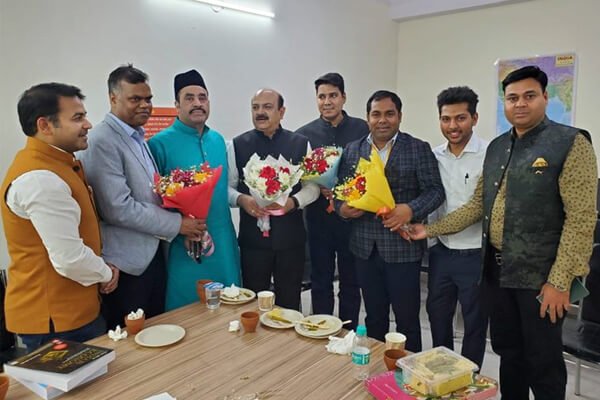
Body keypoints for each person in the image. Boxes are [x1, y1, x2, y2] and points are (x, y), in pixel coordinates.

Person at [409, 66, 597, 399]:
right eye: (512, 98)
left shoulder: (570, 143)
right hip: (497, 272)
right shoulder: (498, 147)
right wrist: (431, 229)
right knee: (508, 352)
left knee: (543, 362)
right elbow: (476, 206)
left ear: (545, 97)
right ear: (504, 103)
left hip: (541, 277)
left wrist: (560, 281)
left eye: (529, 96)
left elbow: (581, 220)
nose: (520, 104)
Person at [79, 65, 205, 330]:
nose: (145, 105)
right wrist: (178, 224)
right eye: (135, 99)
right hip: (125, 265)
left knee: (156, 332)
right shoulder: (103, 140)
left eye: (148, 99)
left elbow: (151, 194)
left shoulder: (136, 136)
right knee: (131, 340)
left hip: (151, 255)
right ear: (113, 98)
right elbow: (117, 208)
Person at [1, 83, 119, 351]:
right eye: (77, 118)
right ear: (45, 125)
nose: (88, 124)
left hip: (75, 311)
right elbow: (70, 258)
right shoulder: (40, 179)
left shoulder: (59, 164)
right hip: (56, 321)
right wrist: (106, 272)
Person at [335, 90, 444, 350]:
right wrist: (343, 209)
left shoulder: (418, 148)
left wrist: (410, 209)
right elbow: (341, 191)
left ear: (400, 116)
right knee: (374, 316)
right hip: (364, 248)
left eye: (389, 114)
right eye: (376, 114)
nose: (382, 120)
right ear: (367, 118)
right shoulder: (353, 150)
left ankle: (407, 369)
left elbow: (435, 191)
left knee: (407, 320)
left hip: (402, 246)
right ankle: (376, 366)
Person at [148, 69, 241, 310]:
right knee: (187, 307)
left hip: (223, 239)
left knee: (229, 303)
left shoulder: (218, 140)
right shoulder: (158, 144)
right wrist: (180, 226)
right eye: (189, 98)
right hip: (183, 243)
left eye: (202, 97)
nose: (197, 103)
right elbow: (153, 199)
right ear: (176, 105)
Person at [228, 89, 319, 310]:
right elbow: (227, 188)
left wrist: (293, 202)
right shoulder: (237, 145)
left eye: (267, 107)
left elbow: (312, 187)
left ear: (281, 111)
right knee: (253, 302)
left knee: (289, 301)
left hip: (291, 239)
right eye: (255, 107)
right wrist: (242, 199)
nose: (260, 112)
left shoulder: (300, 143)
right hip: (253, 241)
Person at [295, 72, 368, 330]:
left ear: (343, 97)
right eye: (322, 96)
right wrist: (318, 185)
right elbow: (300, 178)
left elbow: (371, 169)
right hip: (318, 221)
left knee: (351, 281)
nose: (327, 102)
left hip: (352, 219)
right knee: (320, 280)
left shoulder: (363, 129)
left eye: (333, 96)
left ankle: (348, 332)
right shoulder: (303, 136)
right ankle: (321, 331)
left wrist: (347, 191)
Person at [426, 86, 488, 368]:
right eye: (446, 119)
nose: (452, 126)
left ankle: (470, 378)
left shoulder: (489, 154)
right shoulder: (433, 155)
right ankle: (442, 371)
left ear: (474, 118)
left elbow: (478, 207)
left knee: (475, 321)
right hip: (441, 251)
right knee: (438, 315)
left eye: (460, 118)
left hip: (475, 253)